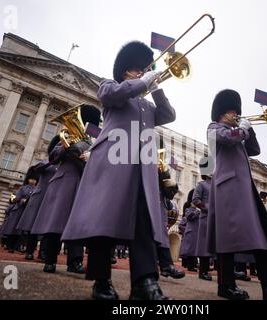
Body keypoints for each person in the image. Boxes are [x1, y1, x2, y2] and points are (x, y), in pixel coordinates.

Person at [61, 41, 176, 300]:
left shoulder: (147, 105)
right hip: (112, 161)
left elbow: (169, 115)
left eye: (144, 71)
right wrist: (143, 81)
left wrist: (155, 86)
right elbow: (112, 96)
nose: (141, 74)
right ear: (126, 71)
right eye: (138, 70)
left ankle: (145, 283)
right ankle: (101, 280)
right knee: (105, 220)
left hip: (141, 168)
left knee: (144, 222)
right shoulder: (109, 86)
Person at [206, 89, 267, 300]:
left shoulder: (238, 134)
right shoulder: (214, 128)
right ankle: (226, 286)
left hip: (244, 191)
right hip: (228, 189)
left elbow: (255, 150)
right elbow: (230, 139)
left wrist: (250, 128)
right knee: (227, 239)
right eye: (232, 111)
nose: (235, 114)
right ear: (222, 113)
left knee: (261, 234)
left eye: (237, 111)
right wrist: (241, 129)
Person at [31, 105, 101, 274]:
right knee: (55, 222)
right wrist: (66, 145)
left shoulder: (94, 141)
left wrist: (79, 152)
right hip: (64, 181)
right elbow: (53, 157)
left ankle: (75, 262)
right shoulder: (67, 135)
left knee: (77, 224)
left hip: (83, 183)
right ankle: (50, 260)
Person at [16, 139, 58, 260]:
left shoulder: (62, 165)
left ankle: (43, 252)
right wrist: (53, 159)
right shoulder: (47, 162)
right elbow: (36, 168)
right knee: (32, 226)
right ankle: (30, 251)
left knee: (46, 227)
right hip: (40, 197)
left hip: (51, 198)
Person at [1, 168, 38, 252]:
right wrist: (21, 200)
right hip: (19, 209)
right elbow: (14, 198)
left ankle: (19, 246)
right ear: (28, 179)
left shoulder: (36, 189)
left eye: (34, 179)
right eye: (32, 179)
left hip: (28, 211)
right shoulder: (22, 188)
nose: (33, 181)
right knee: (14, 228)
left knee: (23, 230)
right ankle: (10, 246)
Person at [193, 158, 214, 281]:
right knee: (204, 246)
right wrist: (208, 208)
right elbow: (196, 200)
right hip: (206, 218)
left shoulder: (215, 184)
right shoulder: (202, 184)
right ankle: (203, 271)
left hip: (216, 219)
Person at [179, 190, 200, 272]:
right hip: (190, 233)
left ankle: (192, 265)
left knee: (194, 251)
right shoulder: (188, 210)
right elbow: (189, 216)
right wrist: (197, 212)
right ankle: (190, 266)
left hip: (195, 233)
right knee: (190, 251)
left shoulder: (197, 210)